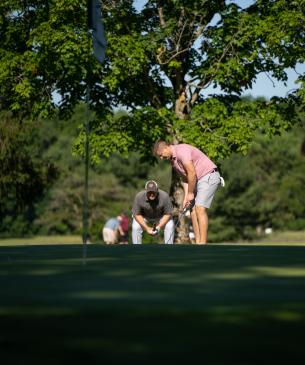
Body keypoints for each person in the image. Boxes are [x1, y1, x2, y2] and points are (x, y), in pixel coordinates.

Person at [153, 140, 222, 245]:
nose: (162, 158)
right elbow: (185, 179)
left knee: (199, 208)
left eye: (161, 155)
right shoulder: (173, 161)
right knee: (192, 210)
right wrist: (186, 196)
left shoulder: (182, 151)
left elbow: (192, 173)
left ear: (166, 148)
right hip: (197, 180)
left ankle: (203, 244)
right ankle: (198, 243)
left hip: (209, 176)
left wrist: (190, 193)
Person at [132, 180, 174, 244]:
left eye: (153, 192)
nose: (151, 194)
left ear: (157, 190)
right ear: (145, 190)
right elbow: (136, 214)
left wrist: (159, 227)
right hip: (144, 216)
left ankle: (169, 249)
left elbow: (168, 214)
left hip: (160, 216)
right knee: (135, 226)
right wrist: (147, 228)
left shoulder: (164, 196)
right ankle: (137, 249)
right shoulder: (139, 196)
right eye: (149, 192)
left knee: (170, 225)